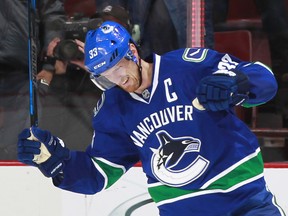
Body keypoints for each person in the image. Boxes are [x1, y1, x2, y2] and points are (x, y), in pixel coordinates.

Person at [17, 21, 286, 215]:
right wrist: (54, 160)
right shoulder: (113, 108)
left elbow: (263, 79)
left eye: (117, 68)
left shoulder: (189, 66)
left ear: (132, 53)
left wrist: (234, 84)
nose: (116, 80)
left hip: (244, 203)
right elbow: (98, 174)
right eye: (103, 75)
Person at [0, 0, 66, 159]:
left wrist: (52, 57)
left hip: (23, 65)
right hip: (20, 62)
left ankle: (17, 170)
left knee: (18, 140)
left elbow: (52, 13)